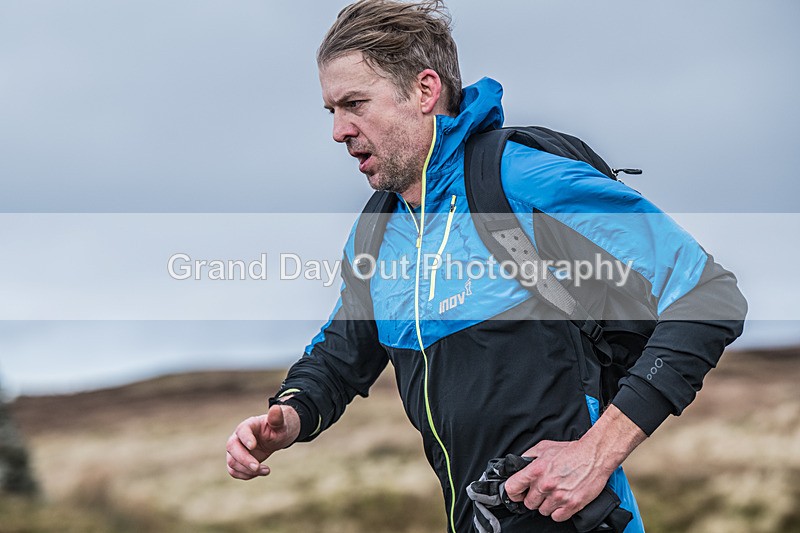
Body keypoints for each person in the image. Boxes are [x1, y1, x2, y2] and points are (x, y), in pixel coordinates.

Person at [225, 1, 747, 532]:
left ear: (425, 91)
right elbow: (341, 354)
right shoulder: (380, 230)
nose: (339, 130)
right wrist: (288, 417)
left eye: (354, 103)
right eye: (331, 110)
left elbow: (709, 295)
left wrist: (597, 452)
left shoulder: (519, 180)